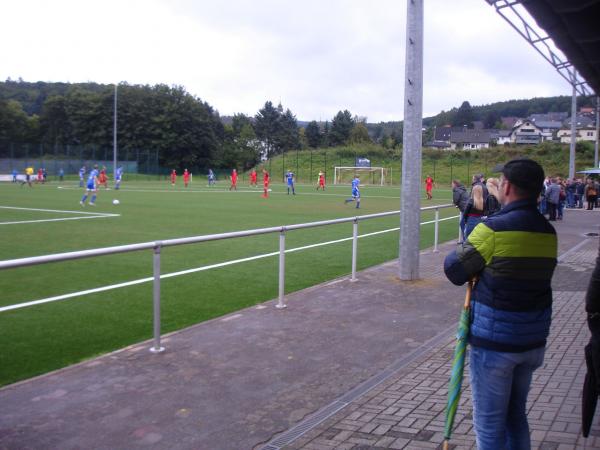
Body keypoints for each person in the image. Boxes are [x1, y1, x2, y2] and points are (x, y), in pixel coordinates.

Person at [444, 158, 557, 450]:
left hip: (495, 345)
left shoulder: (493, 229)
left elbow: (454, 270)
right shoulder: (548, 231)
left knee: (489, 426)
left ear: (506, 186)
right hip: (532, 342)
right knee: (516, 417)